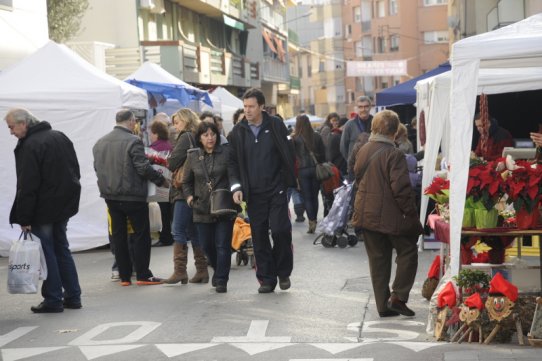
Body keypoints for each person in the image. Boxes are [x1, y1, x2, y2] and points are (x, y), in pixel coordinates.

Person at [5, 108, 82, 313]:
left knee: (48, 253)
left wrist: (24, 216)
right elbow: (75, 171)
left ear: (24, 123)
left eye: (11, 127)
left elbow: (27, 185)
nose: (11, 132)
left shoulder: (30, 145)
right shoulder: (59, 136)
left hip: (42, 208)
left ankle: (53, 299)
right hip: (62, 206)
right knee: (61, 249)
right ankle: (73, 296)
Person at [352, 110, 423, 318]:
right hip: (391, 215)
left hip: (366, 213)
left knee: (378, 259)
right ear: (394, 131)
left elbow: (358, 177)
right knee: (408, 251)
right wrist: (410, 214)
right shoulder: (394, 154)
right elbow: (401, 189)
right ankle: (398, 296)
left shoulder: (363, 150)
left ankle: (383, 305)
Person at [228, 88, 296, 293]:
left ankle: (283, 272)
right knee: (259, 236)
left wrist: (286, 181)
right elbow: (232, 164)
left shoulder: (275, 125)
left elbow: (288, 153)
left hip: (277, 190)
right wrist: (237, 187)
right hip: (253, 193)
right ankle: (267, 278)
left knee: (280, 231)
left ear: (261, 107)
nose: (247, 111)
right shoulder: (237, 132)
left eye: (251, 106)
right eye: (245, 107)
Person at [93, 109, 168, 286]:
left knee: (119, 236)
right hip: (132, 195)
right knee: (141, 235)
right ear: (131, 121)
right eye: (135, 121)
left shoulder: (100, 143)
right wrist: (160, 180)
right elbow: (142, 167)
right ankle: (143, 274)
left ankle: (125, 277)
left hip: (110, 196)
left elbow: (98, 169)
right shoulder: (133, 141)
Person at [182, 122, 234, 293]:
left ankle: (221, 280)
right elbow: (186, 181)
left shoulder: (226, 152)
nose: (210, 138)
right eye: (205, 135)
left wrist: (236, 191)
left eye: (212, 134)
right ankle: (218, 270)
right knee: (206, 245)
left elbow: (234, 175)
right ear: (199, 138)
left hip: (223, 206)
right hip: (201, 207)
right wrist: (189, 198)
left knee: (222, 245)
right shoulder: (193, 156)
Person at [163, 108, 209, 285]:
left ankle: (180, 271)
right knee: (193, 231)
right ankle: (202, 270)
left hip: (183, 190)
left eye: (177, 122)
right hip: (197, 189)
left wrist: (169, 159)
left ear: (186, 121)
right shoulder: (199, 135)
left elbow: (173, 162)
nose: (175, 127)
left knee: (178, 229)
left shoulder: (185, 137)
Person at [291, 114, 326, 233]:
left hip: (302, 171)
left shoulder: (294, 138)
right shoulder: (316, 136)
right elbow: (323, 154)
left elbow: (292, 158)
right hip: (315, 170)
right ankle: (314, 219)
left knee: (306, 197)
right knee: (314, 196)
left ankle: (311, 221)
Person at [149, 119, 174, 247]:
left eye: (151, 133)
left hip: (159, 183)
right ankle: (170, 234)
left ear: (156, 134)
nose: (150, 135)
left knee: (163, 211)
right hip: (171, 181)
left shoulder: (153, 149)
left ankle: (165, 236)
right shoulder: (169, 145)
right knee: (169, 210)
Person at [340, 96, 373, 181]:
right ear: (356, 109)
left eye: (366, 106)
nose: (363, 109)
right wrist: (351, 161)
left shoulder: (376, 122)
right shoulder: (349, 125)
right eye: (360, 107)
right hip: (355, 168)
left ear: (370, 107)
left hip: (374, 165)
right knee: (356, 193)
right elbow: (343, 147)